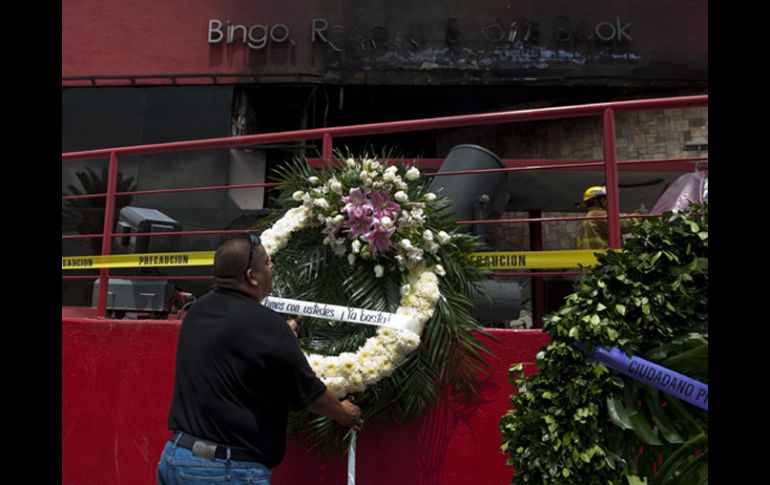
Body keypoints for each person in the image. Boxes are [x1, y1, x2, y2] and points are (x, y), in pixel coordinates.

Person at [157, 233, 362, 485]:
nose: (272, 266)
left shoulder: (197, 311)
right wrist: (343, 413)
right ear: (252, 277)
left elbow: (237, 343)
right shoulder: (267, 327)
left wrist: (279, 334)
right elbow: (309, 393)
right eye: (266, 262)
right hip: (225, 470)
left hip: (176, 458)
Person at [576, 185, 634, 249]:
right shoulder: (597, 214)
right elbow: (622, 224)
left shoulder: (588, 216)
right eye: (604, 199)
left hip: (587, 256)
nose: (608, 201)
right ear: (596, 201)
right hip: (601, 255)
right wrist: (639, 217)